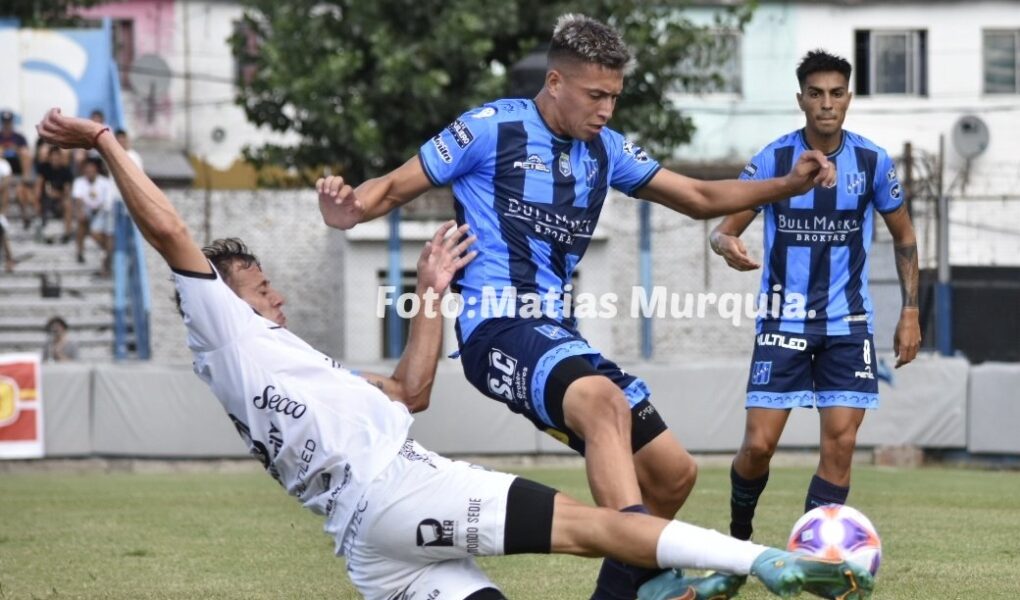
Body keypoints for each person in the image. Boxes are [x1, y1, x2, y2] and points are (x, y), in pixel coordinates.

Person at [38, 108, 872, 600]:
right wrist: (108, 141)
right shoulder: (223, 332)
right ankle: (765, 560)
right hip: (399, 492)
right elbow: (171, 230)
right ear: (224, 299)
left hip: (374, 552)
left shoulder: (296, 368)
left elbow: (410, 391)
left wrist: (432, 289)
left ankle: (687, 562)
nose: (275, 299)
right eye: (260, 290)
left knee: (665, 477)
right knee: (596, 517)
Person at [315, 14, 837, 599]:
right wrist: (350, 210)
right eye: (596, 95)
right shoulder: (489, 128)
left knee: (672, 474)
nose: (607, 109)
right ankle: (656, 573)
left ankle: (620, 592)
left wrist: (785, 186)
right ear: (556, 82)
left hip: (556, 334)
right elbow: (388, 187)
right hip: (497, 328)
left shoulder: (607, 150)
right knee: (602, 403)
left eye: (614, 96)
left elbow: (697, 197)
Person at [708, 50, 921, 543]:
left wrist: (910, 311)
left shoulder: (872, 161)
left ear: (849, 98)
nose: (827, 103)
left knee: (840, 445)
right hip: (783, 323)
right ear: (801, 99)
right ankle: (739, 536)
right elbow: (723, 230)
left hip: (849, 325)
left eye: (837, 93)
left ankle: (812, 553)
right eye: (816, 94)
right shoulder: (774, 160)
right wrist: (726, 246)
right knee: (759, 446)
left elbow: (905, 237)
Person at [71, 157, 115, 274]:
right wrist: (80, 212)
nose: (89, 173)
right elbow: (78, 199)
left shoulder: (105, 183)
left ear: (96, 170)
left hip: (101, 212)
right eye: (87, 170)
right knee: (81, 222)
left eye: (91, 170)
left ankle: (107, 252)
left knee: (97, 232)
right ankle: (80, 252)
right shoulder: (79, 182)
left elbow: (107, 204)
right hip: (87, 211)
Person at [0, 109, 37, 229]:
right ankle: (3, 218)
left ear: (12, 122)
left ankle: (25, 178)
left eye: (9, 122)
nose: (7, 125)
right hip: (3, 167)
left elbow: (26, 152)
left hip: (17, 167)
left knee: (25, 153)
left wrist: (15, 149)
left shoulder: (19, 137)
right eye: (5, 122)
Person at [35, 145, 76, 243]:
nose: (55, 158)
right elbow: (39, 185)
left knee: (68, 204)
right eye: (53, 155)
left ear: (60, 157)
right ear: (49, 157)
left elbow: (67, 192)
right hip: (45, 199)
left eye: (57, 155)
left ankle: (67, 233)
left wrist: (57, 194)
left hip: (60, 200)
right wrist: (37, 201)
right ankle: (43, 231)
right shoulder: (44, 168)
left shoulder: (66, 171)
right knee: (39, 201)